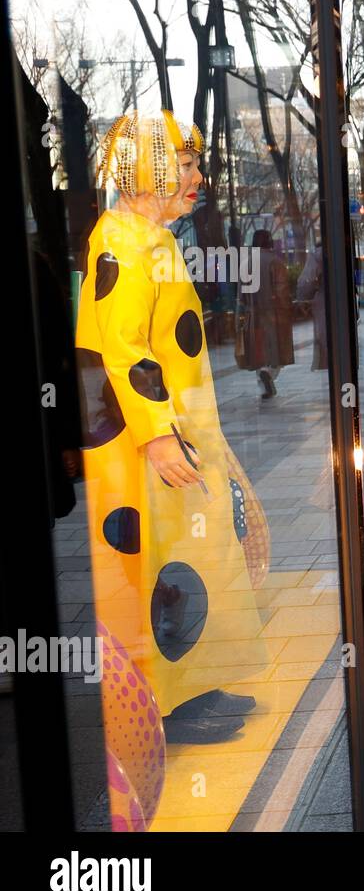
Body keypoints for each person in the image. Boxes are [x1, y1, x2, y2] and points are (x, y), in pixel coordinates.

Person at [75, 110, 269, 756]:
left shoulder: (147, 239)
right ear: (146, 170)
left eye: (194, 163)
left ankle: (196, 686)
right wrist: (156, 434)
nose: (197, 176)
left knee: (189, 557)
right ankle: (171, 700)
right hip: (145, 441)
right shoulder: (124, 243)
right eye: (185, 164)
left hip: (170, 435)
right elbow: (124, 347)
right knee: (160, 564)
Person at [236, 229, 295, 398]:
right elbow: (282, 290)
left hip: (251, 315)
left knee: (258, 350)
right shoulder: (275, 262)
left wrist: (240, 317)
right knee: (274, 350)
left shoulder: (246, 264)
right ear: (269, 242)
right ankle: (268, 373)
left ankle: (263, 382)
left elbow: (240, 296)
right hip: (273, 314)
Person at [297, 245, 327, 371]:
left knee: (324, 335)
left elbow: (306, 281)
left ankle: (325, 362)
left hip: (324, 301)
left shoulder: (317, 254)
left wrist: (302, 300)